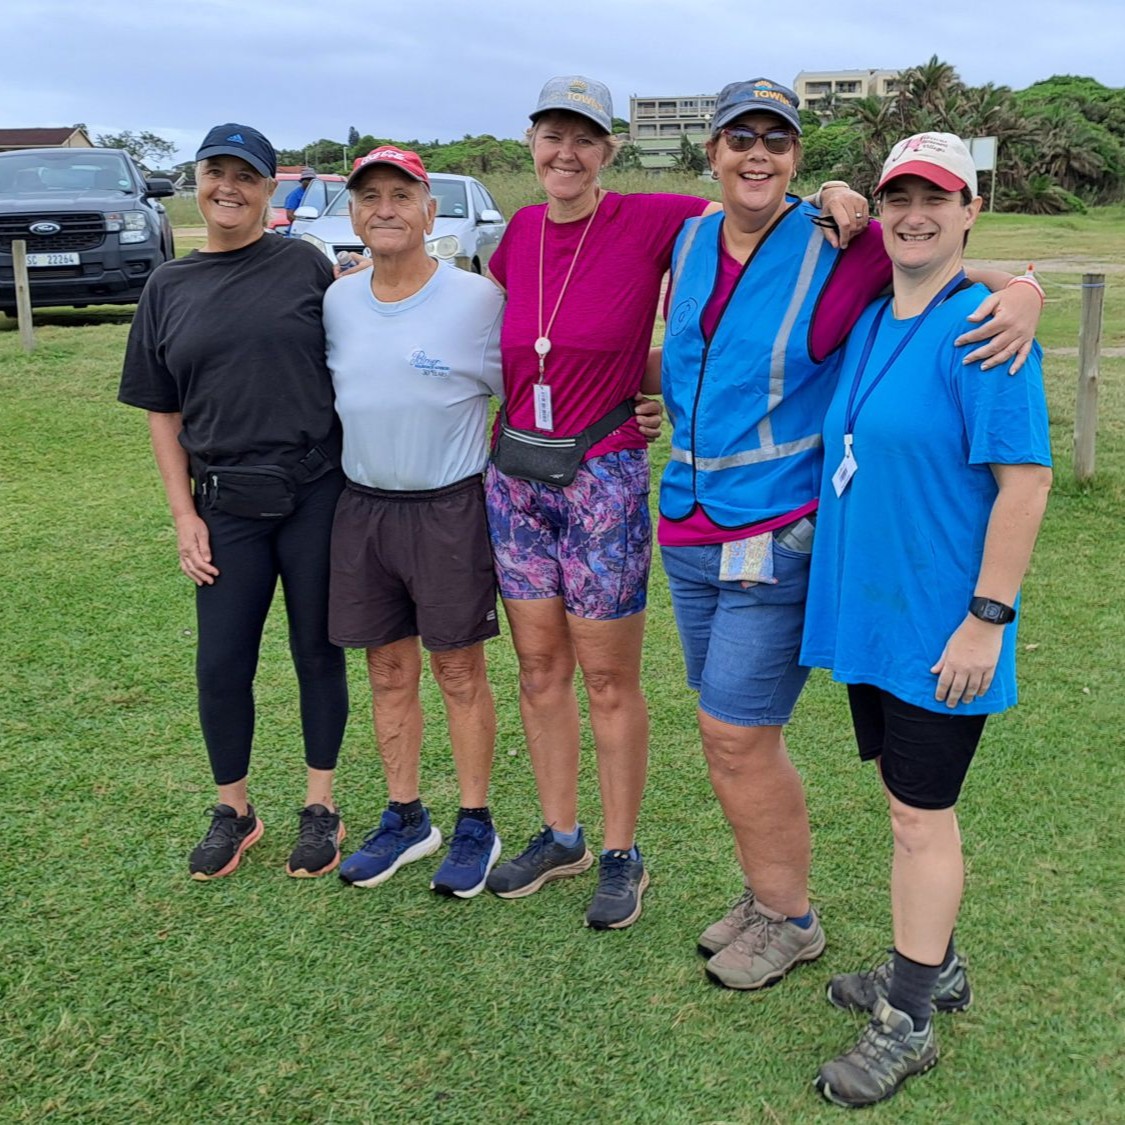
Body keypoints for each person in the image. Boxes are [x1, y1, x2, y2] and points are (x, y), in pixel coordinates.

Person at [651, 81, 1043, 984]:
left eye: (776, 139)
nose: (756, 153)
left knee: (747, 739)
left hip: (791, 540)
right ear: (710, 152)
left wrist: (1024, 286)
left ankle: (814, 932)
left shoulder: (847, 246)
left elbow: (949, 275)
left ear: (797, 157)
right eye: (739, 137)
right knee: (747, 741)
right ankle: (787, 902)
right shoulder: (691, 235)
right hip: (724, 539)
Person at [481, 75, 869, 930]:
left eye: (585, 138)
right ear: (531, 142)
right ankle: (560, 834)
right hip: (521, 479)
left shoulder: (662, 219)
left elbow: (775, 212)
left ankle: (622, 853)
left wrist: (838, 191)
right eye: (552, 135)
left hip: (611, 478)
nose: (567, 153)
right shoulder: (518, 234)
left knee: (609, 678)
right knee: (538, 668)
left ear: (609, 149)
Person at [801, 132, 1051, 1108]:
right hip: (876, 615)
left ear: (969, 210)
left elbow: (1025, 485)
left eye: (935, 198)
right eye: (898, 196)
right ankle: (930, 965)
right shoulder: (874, 315)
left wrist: (986, 618)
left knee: (919, 816)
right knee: (902, 799)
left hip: (944, 625)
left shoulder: (986, 333)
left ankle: (906, 1019)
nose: (914, 215)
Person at [119, 124, 348, 880]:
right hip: (224, 503)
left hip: (314, 491)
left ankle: (320, 806)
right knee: (221, 663)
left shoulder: (305, 265)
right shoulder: (167, 287)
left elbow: (362, 351)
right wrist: (183, 513)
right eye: (216, 172)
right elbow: (162, 411)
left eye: (246, 176)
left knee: (316, 651)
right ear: (196, 181)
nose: (229, 187)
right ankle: (235, 810)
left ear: (269, 189)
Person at [326, 147, 507, 899]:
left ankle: (474, 822)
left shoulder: (476, 299)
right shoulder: (338, 300)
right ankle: (406, 817)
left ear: (430, 212)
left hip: (448, 508)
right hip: (364, 505)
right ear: (353, 213)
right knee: (386, 669)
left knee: (458, 669)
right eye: (370, 196)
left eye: (401, 195)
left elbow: (534, 385)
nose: (385, 209)